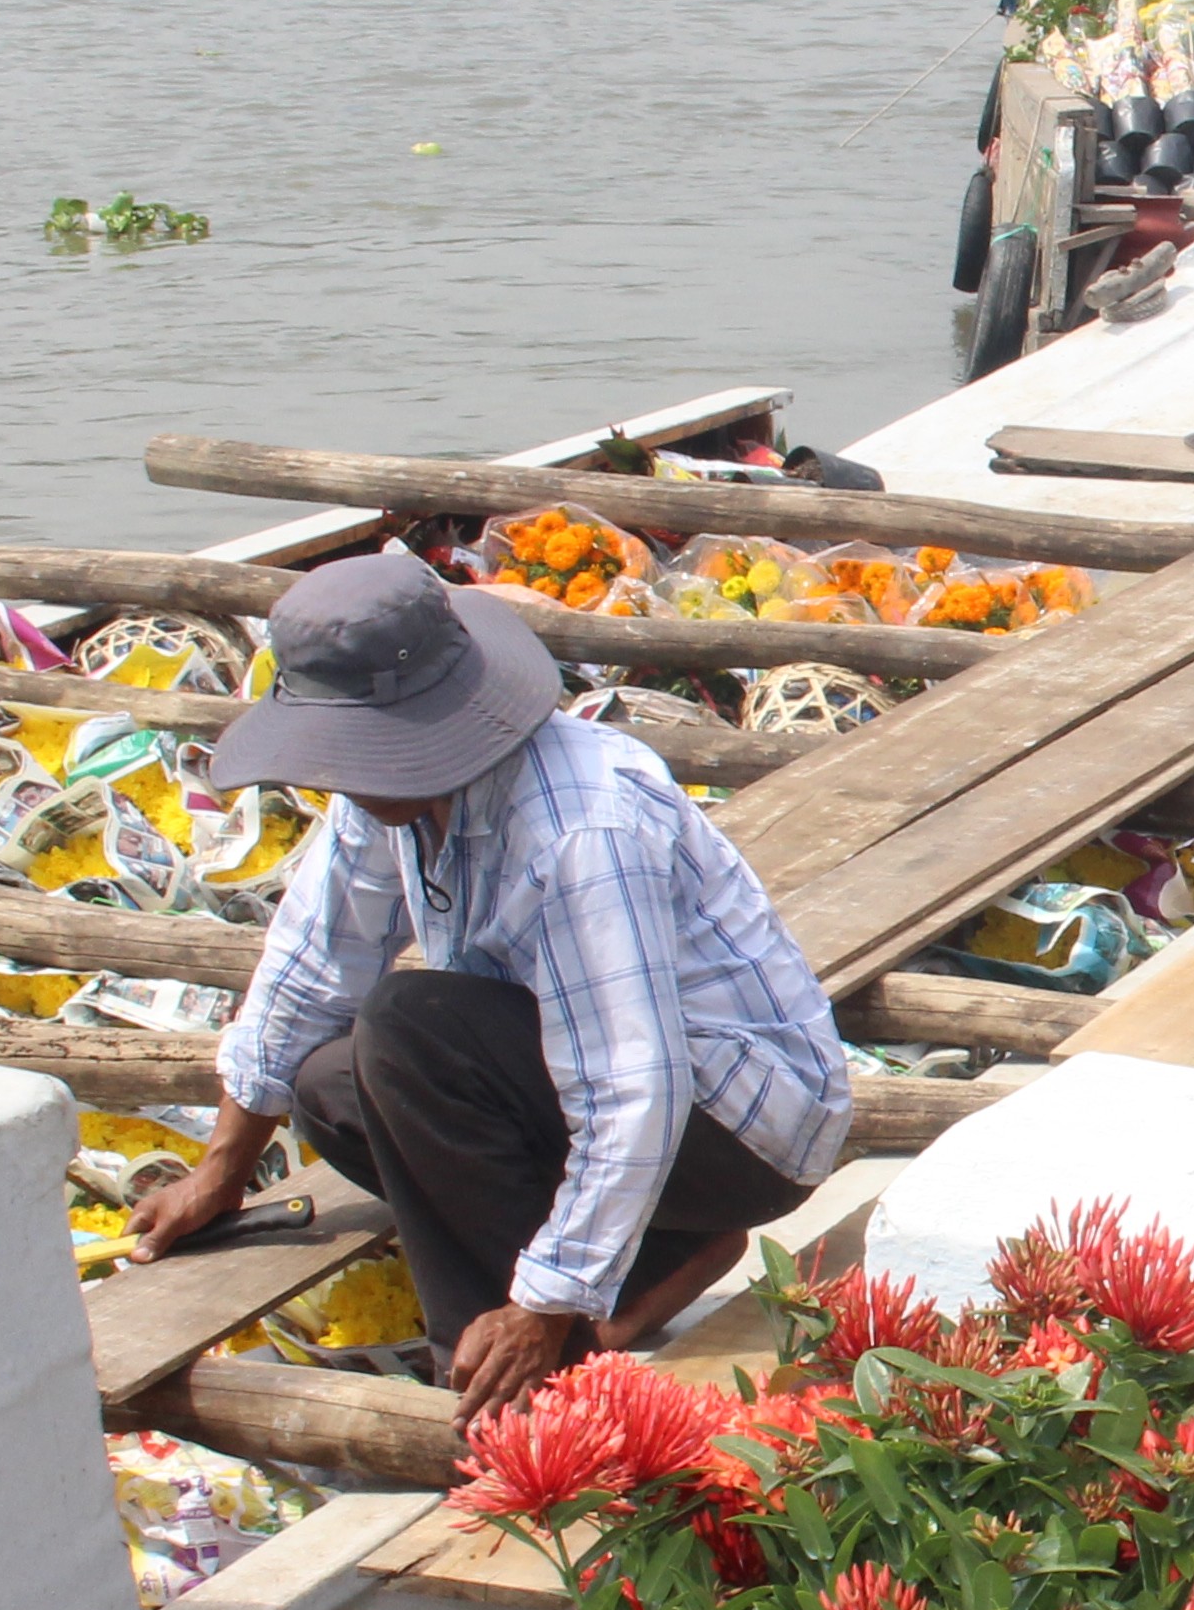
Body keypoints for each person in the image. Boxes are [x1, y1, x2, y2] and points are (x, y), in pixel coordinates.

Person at [120, 552, 855, 1419]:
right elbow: (314, 965)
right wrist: (220, 1173)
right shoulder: (380, 800)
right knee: (331, 1083)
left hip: (741, 1130)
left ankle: (524, 1365)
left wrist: (541, 1305)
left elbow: (632, 1085)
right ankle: (645, 1270)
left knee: (407, 1026)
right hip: (620, 1091)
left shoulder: (580, 829)